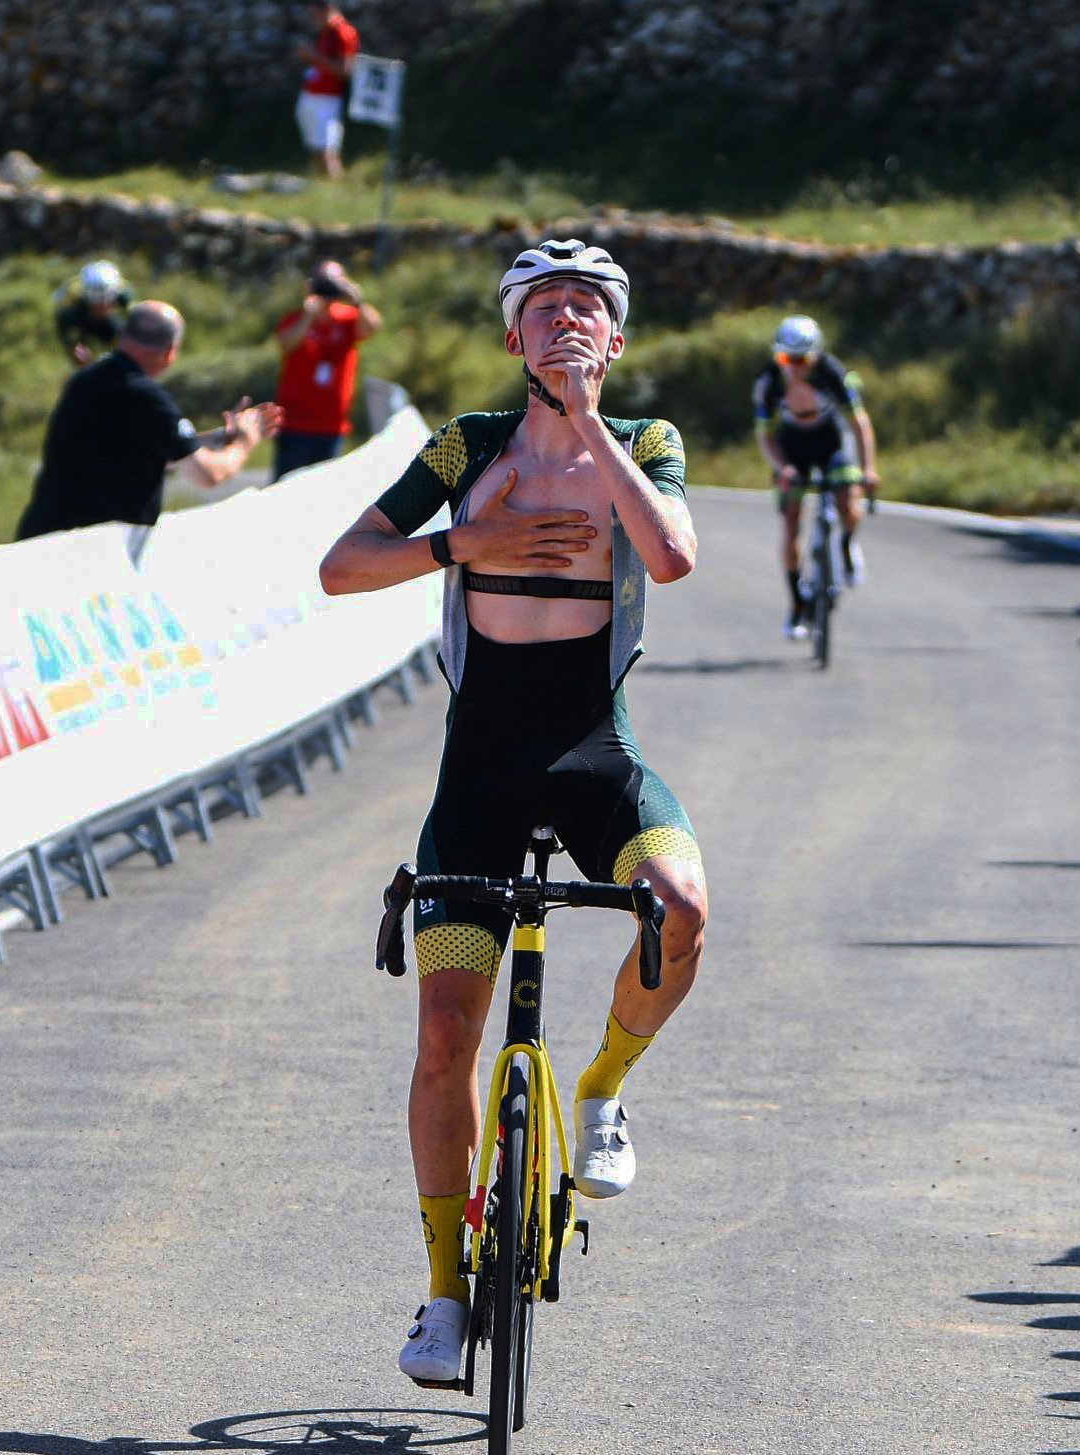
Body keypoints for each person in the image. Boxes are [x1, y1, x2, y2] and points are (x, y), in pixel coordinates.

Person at [320, 238, 707, 1384]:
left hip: (594, 754)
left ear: (616, 339)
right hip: (477, 771)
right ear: (512, 338)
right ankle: (442, 1294)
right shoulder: (470, 446)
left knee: (679, 903)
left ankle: (596, 1094)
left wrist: (589, 424)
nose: (567, 322)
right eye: (545, 309)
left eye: (589, 308)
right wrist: (462, 543)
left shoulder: (643, 444)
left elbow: (673, 557)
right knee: (446, 1035)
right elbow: (342, 566)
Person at [15, 301, 282, 541]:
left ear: (122, 336)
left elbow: (135, 447)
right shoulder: (145, 396)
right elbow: (207, 474)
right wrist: (247, 439)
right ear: (170, 352)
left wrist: (218, 438)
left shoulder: (87, 379)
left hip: (43, 538)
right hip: (92, 552)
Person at [752, 315, 880, 639]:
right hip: (793, 447)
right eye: (785, 359)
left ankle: (848, 544)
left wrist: (868, 469)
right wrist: (783, 468)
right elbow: (766, 436)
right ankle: (797, 603)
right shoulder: (768, 384)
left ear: (816, 355)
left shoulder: (833, 375)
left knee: (849, 503)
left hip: (831, 441)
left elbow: (859, 425)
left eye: (802, 360)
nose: (793, 367)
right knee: (791, 521)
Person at [272, 259, 382, 480]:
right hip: (295, 425)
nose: (328, 289)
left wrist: (357, 301)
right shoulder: (296, 318)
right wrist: (309, 315)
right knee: (286, 487)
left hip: (332, 426)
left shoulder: (348, 318)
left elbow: (372, 327)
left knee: (323, 492)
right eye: (324, 283)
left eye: (333, 283)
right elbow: (286, 343)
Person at [295, 1, 359, 180]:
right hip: (314, 96)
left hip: (327, 100)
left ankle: (336, 191)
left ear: (328, 9)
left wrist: (314, 57)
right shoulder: (326, 32)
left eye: (316, 14)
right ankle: (322, 187)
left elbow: (345, 70)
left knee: (328, 152)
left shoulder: (342, 32)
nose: (314, 19)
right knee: (316, 150)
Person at [54, 260, 134, 367]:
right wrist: (73, 347)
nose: (100, 306)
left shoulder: (125, 296)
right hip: (84, 319)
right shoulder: (72, 303)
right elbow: (64, 327)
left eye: (105, 302)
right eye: (96, 302)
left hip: (109, 320)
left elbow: (136, 322)